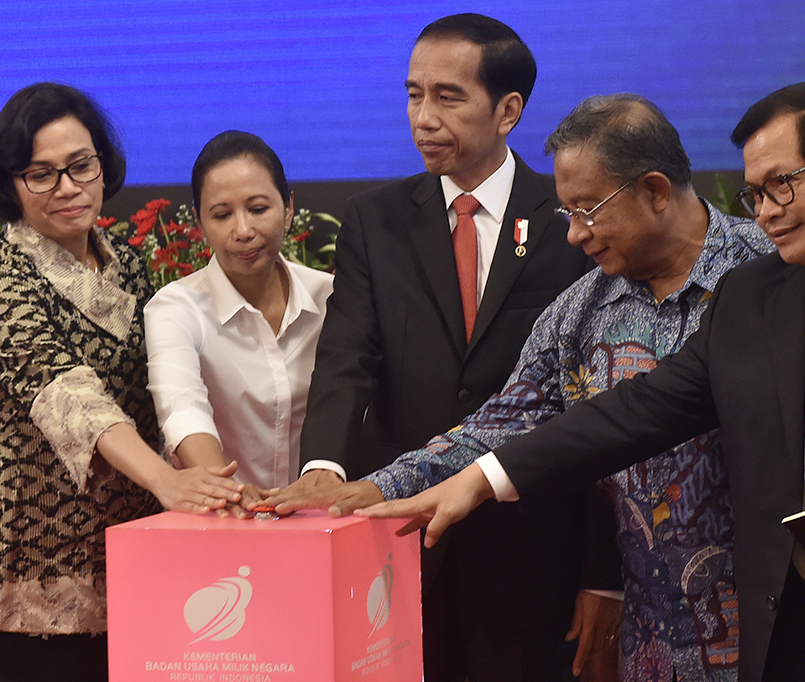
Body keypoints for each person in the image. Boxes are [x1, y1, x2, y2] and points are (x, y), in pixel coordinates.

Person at [355, 82, 805, 682]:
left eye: (780, 186)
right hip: (774, 630)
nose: (764, 211)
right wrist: (470, 480)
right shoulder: (760, 294)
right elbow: (633, 412)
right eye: (754, 194)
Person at [268, 94, 773, 681]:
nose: (575, 236)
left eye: (588, 210)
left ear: (656, 192)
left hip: (771, 623)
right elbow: (498, 423)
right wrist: (376, 488)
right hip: (651, 639)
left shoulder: (767, 274)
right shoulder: (581, 313)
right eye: (567, 214)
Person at [287, 13, 595, 682]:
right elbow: (347, 355)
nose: (423, 117)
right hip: (395, 538)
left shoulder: (566, 221)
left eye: (447, 97)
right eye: (413, 94)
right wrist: (325, 466)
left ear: (508, 109)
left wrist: (604, 574)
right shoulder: (375, 220)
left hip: (529, 543)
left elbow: (599, 406)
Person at [0, 82, 244, 682]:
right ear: (9, 185)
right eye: (41, 174)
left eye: (80, 165)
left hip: (127, 561)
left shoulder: (128, 264)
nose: (67, 187)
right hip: (21, 576)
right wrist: (169, 481)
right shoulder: (2, 280)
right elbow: (71, 398)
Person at [144, 131, 333, 518]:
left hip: (321, 518)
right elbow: (182, 408)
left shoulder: (332, 298)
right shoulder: (175, 308)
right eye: (222, 214)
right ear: (199, 221)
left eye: (258, 208)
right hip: (221, 518)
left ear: (289, 207)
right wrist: (223, 487)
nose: (243, 230)